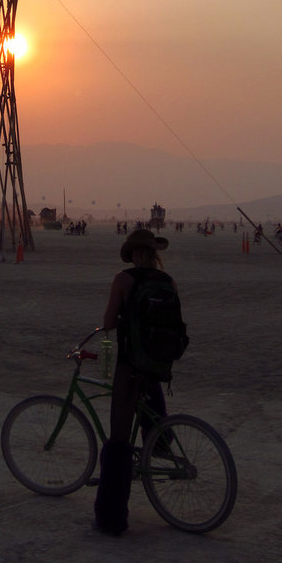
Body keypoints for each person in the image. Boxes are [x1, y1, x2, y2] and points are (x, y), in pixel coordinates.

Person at [93, 228, 177, 536]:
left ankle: (111, 518)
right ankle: (160, 441)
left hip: (131, 365)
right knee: (149, 394)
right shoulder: (168, 282)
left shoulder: (124, 280)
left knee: (118, 440)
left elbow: (109, 322)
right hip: (159, 365)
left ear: (132, 254)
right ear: (154, 254)